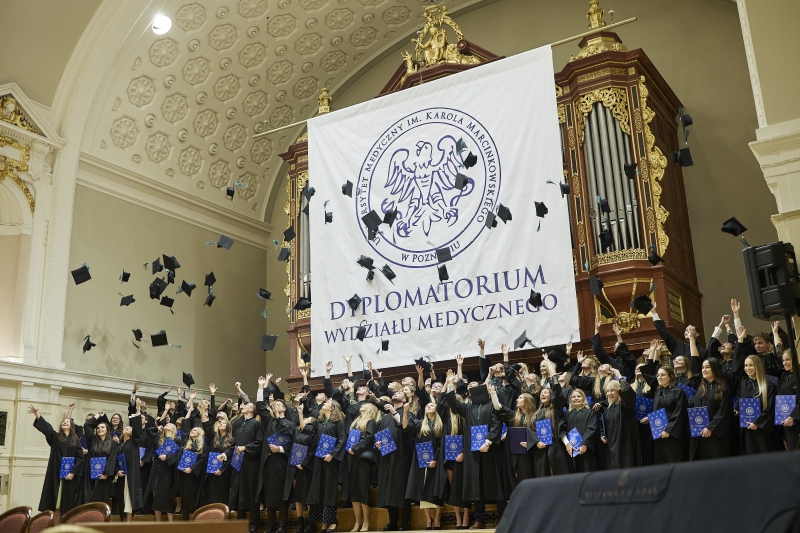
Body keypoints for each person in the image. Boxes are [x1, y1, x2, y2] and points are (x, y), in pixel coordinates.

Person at [445, 377, 507, 529]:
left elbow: (497, 423)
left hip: (490, 450)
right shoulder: (468, 407)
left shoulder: (492, 405)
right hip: (473, 452)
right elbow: (453, 404)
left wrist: (488, 441)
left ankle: (503, 519)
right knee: (476, 485)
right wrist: (451, 385)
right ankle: (480, 520)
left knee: (496, 483)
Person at [29, 403, 84, 524]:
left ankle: (64, 527)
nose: (65, 422)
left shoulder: (75, 441)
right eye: (63, 421)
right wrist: (37, 414)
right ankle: (54, 527)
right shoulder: (56, 437)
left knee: (66, 505)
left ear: (71, 426)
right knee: (55, 504)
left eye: (67, 422)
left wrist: (72, 472)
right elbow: (47, 429)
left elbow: (80, 458)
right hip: (55, 475)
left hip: (69, 477)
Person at [257, 375, 297, 533]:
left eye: (279, 404)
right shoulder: (270, 421)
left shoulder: (290, 425)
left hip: (282, 462)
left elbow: (292, 445)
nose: (275, 405)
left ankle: (282, 525)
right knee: (269, 494)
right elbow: (260, 406)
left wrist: (280, 449)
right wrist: (261, 387)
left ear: (285, 409)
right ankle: (271, 524)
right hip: (268, 462)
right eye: (274, 404)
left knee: (281, 493)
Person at [688, 326, 733, 460]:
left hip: (715, 435)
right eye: (703, 367)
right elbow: (694, 362)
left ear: (715, 369)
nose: (704, 370)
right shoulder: (699, 386)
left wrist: (711, 428)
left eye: (707, 367)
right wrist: (691, 340)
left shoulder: (723, 388)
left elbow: (723, 412)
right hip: (699, 434)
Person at [304, 396, 347, 533]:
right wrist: (302, 416)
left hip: (330, 460)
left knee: (329, 490)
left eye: (327, 403)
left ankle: (332, 521)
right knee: (319, 489)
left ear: (332, 408)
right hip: (318, 459)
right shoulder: (320, 422)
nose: (324, 404)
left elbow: (342, 440)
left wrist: (332, 455)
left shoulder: (338, 422)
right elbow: (306, 430)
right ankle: (323, 522)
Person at [223, 400, 264, 533]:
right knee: (239, 491)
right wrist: (224, 454)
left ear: (252, 410)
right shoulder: (240, 425)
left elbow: (259, 442)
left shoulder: (256, 424)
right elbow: (234, 445)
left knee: (251, 492)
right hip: (238, 463)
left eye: (247, 405)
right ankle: (241, 522)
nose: (243, 406)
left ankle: (254, 524)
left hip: (251, 464)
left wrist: (245, 448)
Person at [735, 326, 777, 454]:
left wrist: (757, 423)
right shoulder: (743, 382)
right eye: (746, 366)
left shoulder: (769, 385)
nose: (747, 368)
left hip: (761, 429)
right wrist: (737, 408)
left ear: (757, 366)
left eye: (750, 365)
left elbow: (769, 409)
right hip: (746, 427)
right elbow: (740, 397)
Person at [403, 402, 445, 530]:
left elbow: (442, 443)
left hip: (437, 460)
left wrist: (436, 459)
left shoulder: (441, 424)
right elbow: (405, 426)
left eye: (431, 405)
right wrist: (405, 411)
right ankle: (428, 519)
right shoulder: (420, 424)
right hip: (422, 460)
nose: (428, 406)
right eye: (427, 406)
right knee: (423, 488)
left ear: (437, 409)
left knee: (436, 489)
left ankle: (437, 518)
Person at [640, 356, 689, 464]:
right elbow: (657, 411)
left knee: (674, 461)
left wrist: (668, 430)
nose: (659, 377)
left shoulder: (678, 391)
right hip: (659, 433)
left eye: (663, 375)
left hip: (672, 435)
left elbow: (680, 414)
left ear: (670, 376)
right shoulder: (658, 392)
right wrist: (649, 418)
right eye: (658, 375)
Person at [374, 391, 411, 532]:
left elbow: (405, 427)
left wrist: (395, 412)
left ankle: (405, 522)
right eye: (394, 393)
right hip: (387, 457)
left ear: (404, 400)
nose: (395, 394)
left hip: (402, 456)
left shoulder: (407, 413)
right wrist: (377, 443)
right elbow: (380, 436)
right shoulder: (385, 418)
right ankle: (393, 522)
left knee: (402, 487)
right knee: (388, 488)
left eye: (399, 393)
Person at [344, 403, 379, 532]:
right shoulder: (356, 421)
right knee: (354, 490)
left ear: (370, 409)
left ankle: (366, 521)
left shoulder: (371, 422)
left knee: (363, 489)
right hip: (353, 458)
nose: (362, 406)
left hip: (363, 458)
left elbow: (369, 439)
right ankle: (357, 521)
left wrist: (355, 448)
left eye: (365, 405)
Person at [525, 383, 571, 477]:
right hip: (541, 448)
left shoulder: (556, 410)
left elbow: (558, 397)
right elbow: (530, 429)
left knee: (558, 473)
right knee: (543, 475)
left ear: (551, 396)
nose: (542, 394)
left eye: (545, 393)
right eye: (541, 393)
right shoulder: (536, 414)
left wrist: (554, 381)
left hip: (555, 445)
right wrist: (536, 442)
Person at [201, 397, 233, 505]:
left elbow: (230, 457)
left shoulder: (231, 440)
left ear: (228, 426)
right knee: (210, 497)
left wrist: (221, 470)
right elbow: (206, 425)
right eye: (220, 423)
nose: (221, 423)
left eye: (224, 423)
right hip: (211, 470)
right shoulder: (214, 437)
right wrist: (202, 409)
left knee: (221, 496)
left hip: (223, 473)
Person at [144, 422, 179, 522]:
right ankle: (158, 523)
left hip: (168, 470)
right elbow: (149, 431)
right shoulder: (159, 438)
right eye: (166, 425)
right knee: (156, 496)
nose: (166, 425)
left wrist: (167, 457)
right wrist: (157, 428)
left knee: (167, 496)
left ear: (173, 429)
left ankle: (170, 524)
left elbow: (179, 455)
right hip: (157, 469)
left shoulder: (177, 440)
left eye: (169, 425)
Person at [601, 379, 639, 468]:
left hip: (624, 446)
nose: (609, 393)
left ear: (619, 391)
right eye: (607, 391)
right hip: (611, 448)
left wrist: (619, 377)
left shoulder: (625, 405)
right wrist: (602, 434)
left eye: (612, 390)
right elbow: (604, 425)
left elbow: (629, 393)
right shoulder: (608, 410)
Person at [84, 411, 119, 505]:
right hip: (90, 474)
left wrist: (106, 474)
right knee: (88, 498)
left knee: (100, 500)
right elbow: (87, 425)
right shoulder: (93, 440)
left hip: (104, 477)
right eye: (98, 428)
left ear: (107, 430)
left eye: (102, 427)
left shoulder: (112, 443)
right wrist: (97, 416)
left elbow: (112, 459)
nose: (100, 429)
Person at [114, 426, 143, 521]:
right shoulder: (119, 445)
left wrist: (135, 416)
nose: (127, 429)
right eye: (125, 428)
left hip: (130, 475)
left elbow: (137, 431)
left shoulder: (134, 442)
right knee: (122, 499)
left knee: (128, 499)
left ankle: (128, 525)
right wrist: (117, 470)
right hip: (121, 475)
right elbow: (115, 460)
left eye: (130, 428)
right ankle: (123, 522)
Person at [565, 389, 597, 472]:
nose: (576, 398)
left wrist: (584, 444)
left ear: (583, 398)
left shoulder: (590, 413)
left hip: (585, 449)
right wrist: (568, 444)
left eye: (578, 396)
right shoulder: (567, 414)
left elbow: (591, 428)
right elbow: (563, 430)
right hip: (571, 449)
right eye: (573, 397)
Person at [777, 349, 799, 451]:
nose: (785, 363)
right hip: (785, 419)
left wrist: (792, 417)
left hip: (795, 420)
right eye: (783, 360)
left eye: (788, 359)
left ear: (795, 359)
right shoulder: (784, 375)